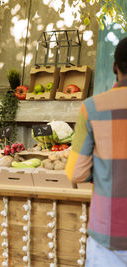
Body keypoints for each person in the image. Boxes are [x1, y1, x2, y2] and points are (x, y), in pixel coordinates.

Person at [65, 36, 127, 266]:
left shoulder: (92, 108)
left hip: (108, 235)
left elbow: (76, 173)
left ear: (114, 66)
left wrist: (101, 171)